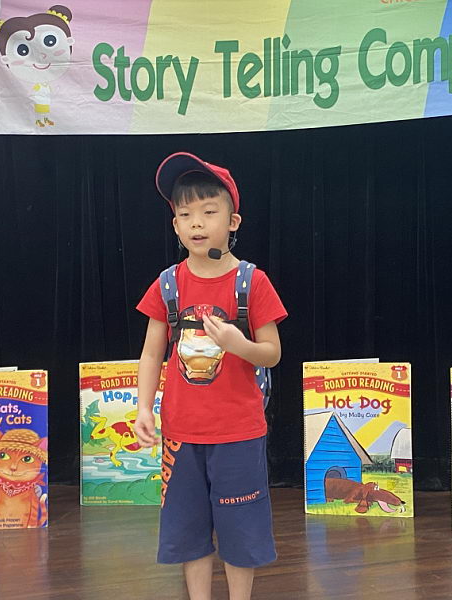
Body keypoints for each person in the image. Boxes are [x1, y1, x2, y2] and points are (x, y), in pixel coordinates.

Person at [134, 152, 287, 600]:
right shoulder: (167, 284)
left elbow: (272, 352)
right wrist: (144, 408)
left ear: (233, 221)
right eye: (185, 214)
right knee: (188, 532)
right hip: (180, 434)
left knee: (241, 531)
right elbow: (151, 353)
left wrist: (239, 345)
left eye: (208, 211)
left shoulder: (252, 282)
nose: (196, 223)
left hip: (239, 432)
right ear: (175, 226)